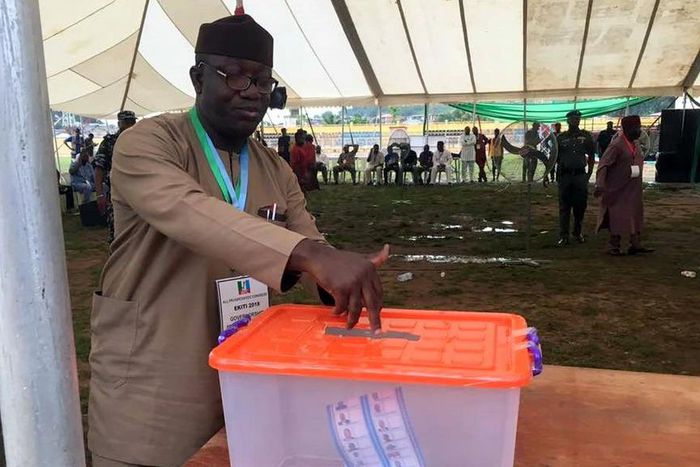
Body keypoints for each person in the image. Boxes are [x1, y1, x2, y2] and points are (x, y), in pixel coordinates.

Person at [88, 13, 389, 467]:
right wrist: (307, 254)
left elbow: (308, 239)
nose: (251, 92)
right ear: (198, 77)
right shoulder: (147, 143)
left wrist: (332, 282)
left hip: (251, 380)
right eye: (234, 75)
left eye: (263, 81)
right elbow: (191, 212)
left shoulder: (274, 167)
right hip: (154, 380)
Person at [595, 115, 654, 256]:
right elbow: (603, 165)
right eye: (636, 128)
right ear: (626, 129)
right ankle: (613, 245)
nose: (639, 131)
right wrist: (600, 184)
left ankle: (635, 244)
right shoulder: (616, 145)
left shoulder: (636, 143)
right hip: (618, 188)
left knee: (635, 214)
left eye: (639, 127)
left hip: (633, 188)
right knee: (617, 215)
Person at [94, 110, 137, 244]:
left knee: (137, 234)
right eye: (127, 122)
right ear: (119, 123)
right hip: (116, 194)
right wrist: (100, 195)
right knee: (117, 234)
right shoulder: (109, 142)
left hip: (137, 193)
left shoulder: (140, 141)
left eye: (132, 122)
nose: (130, 125)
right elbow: (99, 169)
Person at [556, 109, 596, 246]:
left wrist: (589, 173)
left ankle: (577, 232)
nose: (575, 120)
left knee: (580, 205)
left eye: (577, 118)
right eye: (572, 118)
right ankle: (564, 235)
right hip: (565, 175)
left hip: (580, 175)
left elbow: (591, 155)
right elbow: (554, 157)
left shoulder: (586, 136)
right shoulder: (560, 138)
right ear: (567, 120)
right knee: (564, 206)